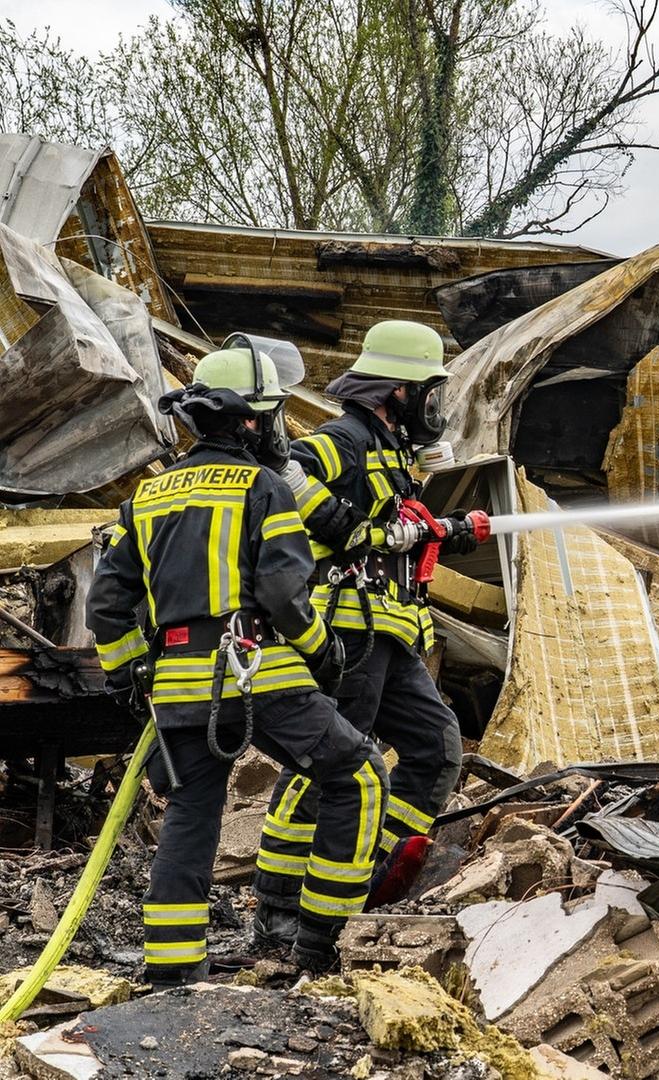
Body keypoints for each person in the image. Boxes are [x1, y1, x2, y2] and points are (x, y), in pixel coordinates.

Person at [87, 336, 386, 983]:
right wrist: (324, 654)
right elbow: (283, 594)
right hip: (260, 679)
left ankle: (171, 977)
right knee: (357, 776)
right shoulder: (264, 488)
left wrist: (132, 675)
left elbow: (106, 607)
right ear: (253, 419)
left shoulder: (150, 496)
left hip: (177, 690)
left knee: (193, 815)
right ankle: (321, 951)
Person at [252, 320, 484, 947]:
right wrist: (348, 524)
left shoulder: (395, 453)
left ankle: (371, 868)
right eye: (428, 391)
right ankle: (281, 909)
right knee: (330, 766)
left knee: (436, 749)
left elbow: (397, 528)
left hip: (392, 630)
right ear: (397, 391)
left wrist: (446, 528)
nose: (435, 406)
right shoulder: (343, 438)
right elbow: (281, 475)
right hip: (350, 629)